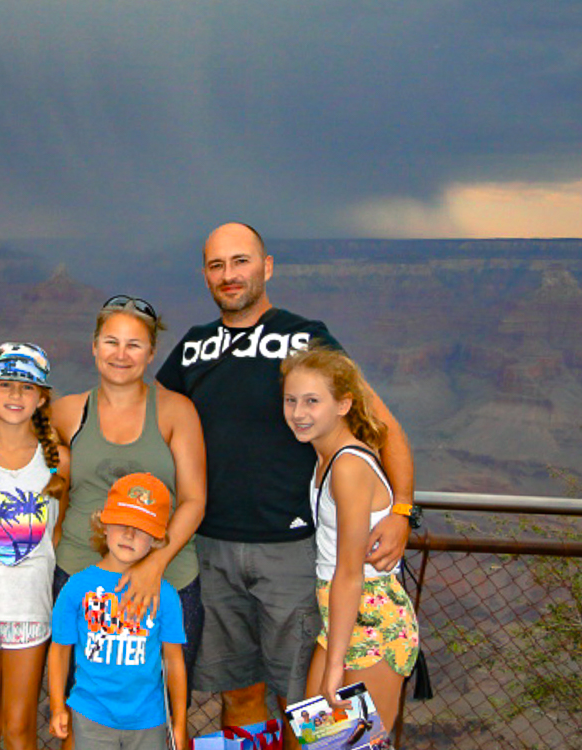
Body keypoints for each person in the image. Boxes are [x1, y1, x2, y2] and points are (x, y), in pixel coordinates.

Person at [156, 223, 414, 741]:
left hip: (293, 553)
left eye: (241, 261)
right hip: (214, 550)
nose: (230, 275)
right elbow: (142, 420)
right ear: (205, 275)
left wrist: (402, 509)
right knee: (239, 692)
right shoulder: (192, 349)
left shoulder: (305, 336)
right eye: (217, 265)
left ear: (266, 267)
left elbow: (380, 424)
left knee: (306, 701)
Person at [51, 296, 206, 684]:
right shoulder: (67, 412)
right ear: (94, 346)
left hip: (165, 582)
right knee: (83, 706)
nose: (121, 354)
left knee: (160, 708)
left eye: (134, 344)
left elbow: (194, 499)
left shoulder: (176, 411)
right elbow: (4, 453)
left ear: (151, 353)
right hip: (80, 577)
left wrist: (154, 565)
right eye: (111, 341)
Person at [282, 346, 419, 733]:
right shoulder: (326, 457)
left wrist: (335, 665)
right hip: (342, 618)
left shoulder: (348, 466)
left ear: (343, 405)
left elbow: (349, 572)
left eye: (312, 401)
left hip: (373, 622)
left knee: (355, 745)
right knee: (318, 740)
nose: (298, 413)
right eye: (291, 400)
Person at [0, 343, 70, 750]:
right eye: (5, 385)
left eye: (27, 387)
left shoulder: (57, 462)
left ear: (42, 398)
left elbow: (56, 532)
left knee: (20, 729)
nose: (15, 396)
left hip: (30, 609)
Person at [49, 473, 187, 750]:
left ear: (158, 539)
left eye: (141, 528)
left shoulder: (166, 595)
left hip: (149, 719)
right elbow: (59, 649)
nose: (129, 534)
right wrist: (57, 706)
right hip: (91, 713)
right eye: (122, 523)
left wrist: (180, 723)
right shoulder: (77, 587)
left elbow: (174, 661)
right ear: (103, 524)